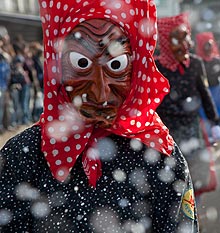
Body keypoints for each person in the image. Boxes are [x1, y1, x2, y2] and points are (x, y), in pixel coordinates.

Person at [0, 1, 199, 232]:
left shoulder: (160, 156)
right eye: (80, 64)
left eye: (116, 65)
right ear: (56, 67)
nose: (100, 91)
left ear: (137, 70)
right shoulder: (23, 157)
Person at [155, 13, 220, 198]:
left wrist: (214, 121)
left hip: (192, 128)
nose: (186, 44)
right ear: (165, 42)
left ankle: (193, 211)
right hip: (167, 132)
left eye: (187, 37)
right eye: (178, 39)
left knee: (197, 175)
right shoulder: (156, 68)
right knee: (173, 176)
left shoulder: (195, 63)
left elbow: (204, 92)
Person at [195, 31, 220, 130]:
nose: (208, 48)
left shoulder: (217, 61)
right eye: (205, 45)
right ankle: (210, 133)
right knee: (205, 112)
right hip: (203, 92)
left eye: (210, 45)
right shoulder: (197, 62)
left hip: (217, 91)